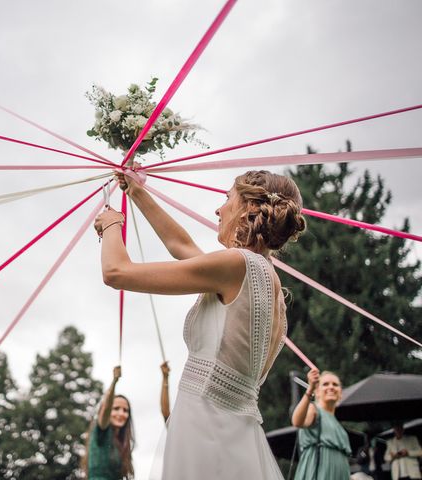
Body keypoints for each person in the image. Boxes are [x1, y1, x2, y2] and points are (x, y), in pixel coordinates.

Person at [95, 168, 306, 479]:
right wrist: (137, 191)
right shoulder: (266, 278)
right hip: (235, 432)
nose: (219, 209)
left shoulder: (236, 265)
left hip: (205, 429)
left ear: (248, 207)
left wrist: (112, 224)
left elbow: (116, 272)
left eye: (227, 197)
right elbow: (182, 246)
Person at [292, 368, 351, 480]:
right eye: (325, 384)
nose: (331, 387)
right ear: (317, 392)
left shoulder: (339, 426)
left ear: (340, 393)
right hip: (317, 473)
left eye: (335, 384)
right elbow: (297, 421)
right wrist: (309, 390)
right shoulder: (314, 409)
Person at [85, 366, 135, 479]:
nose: (121, 413)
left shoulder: (121, 442)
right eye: (116, 408)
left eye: (125, 410)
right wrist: (114, 382)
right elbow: (106, 408)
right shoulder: (102, 430)